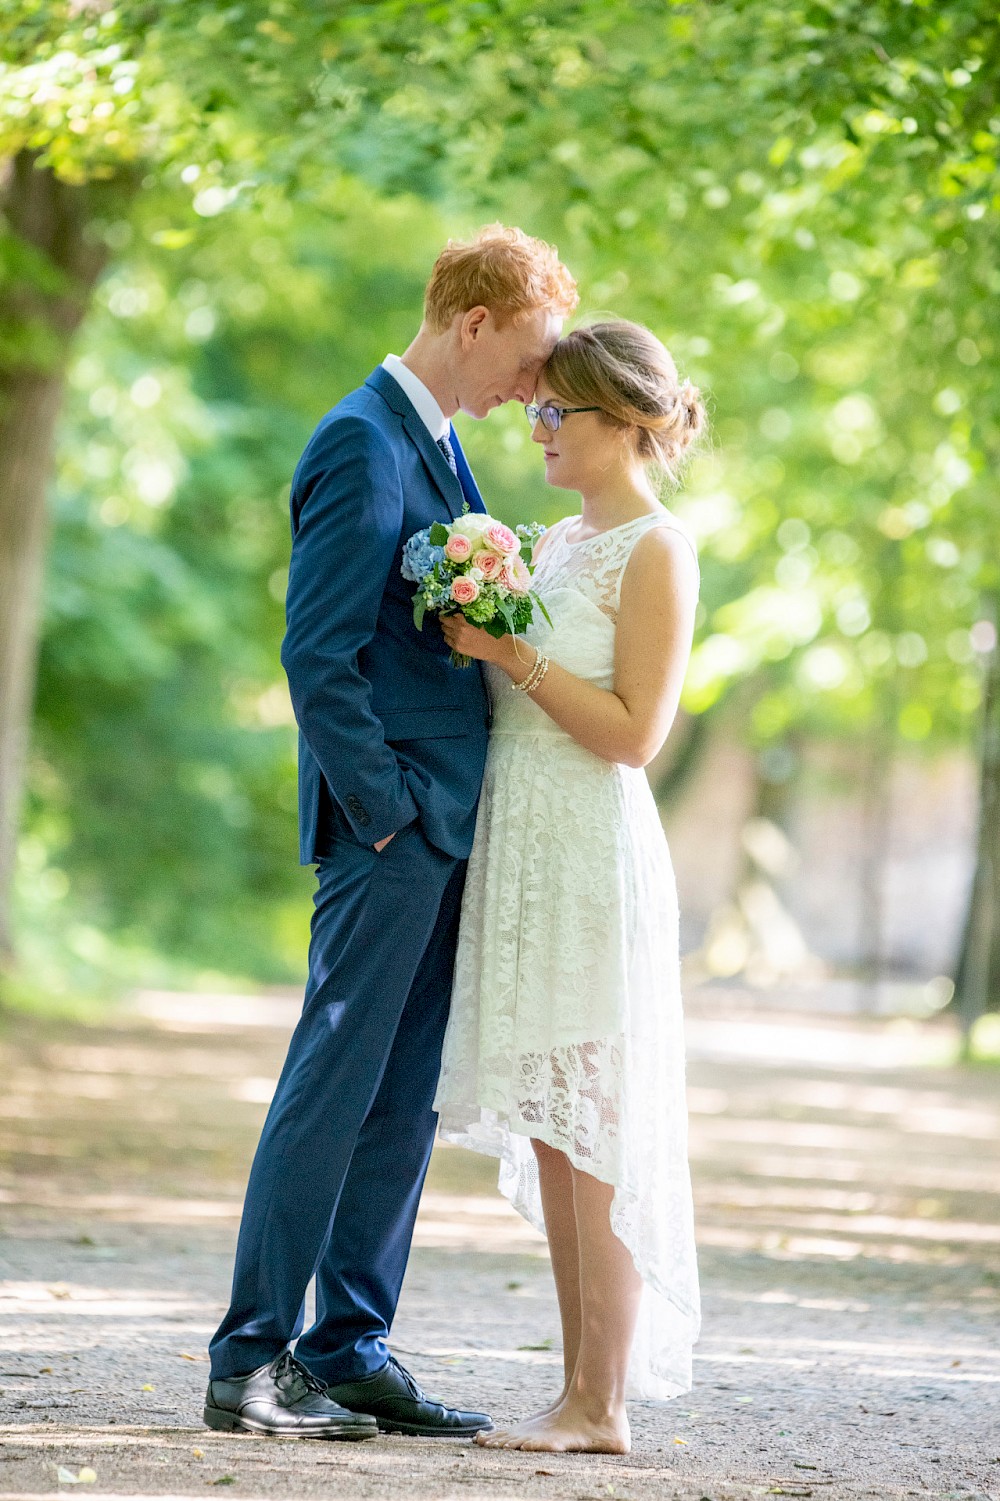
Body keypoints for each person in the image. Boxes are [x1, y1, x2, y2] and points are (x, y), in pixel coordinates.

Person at [204, 225, 577, 1440]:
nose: (535, 386)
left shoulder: (440, 446)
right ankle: (249, 1360)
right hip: (392, 828)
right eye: (526, 358)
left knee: (401, 1098)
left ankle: (349, 1342)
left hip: (445, 825)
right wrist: (387, 815)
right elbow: (317, 655)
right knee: (332, 1085)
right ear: (474, 324)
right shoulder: (361, 440)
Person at [434, 320, 704, 1454]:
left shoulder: (655, 547)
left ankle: (603, 1401)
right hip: (521, 846)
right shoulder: (543, 542)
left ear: (627, 423)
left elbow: (637, 734)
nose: (538, 428)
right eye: (538, 410)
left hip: (591, 849)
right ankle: (578, 1391)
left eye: (560, 414)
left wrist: (508, 655)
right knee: (553, 1129)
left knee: (596, 1126)